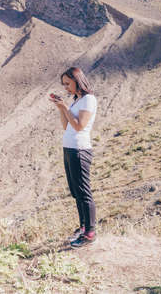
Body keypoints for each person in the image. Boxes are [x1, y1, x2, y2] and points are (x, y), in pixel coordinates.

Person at [48, 67, 97, 248]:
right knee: (76, 192)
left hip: (79, 149)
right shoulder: (77, 101)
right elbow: (65, 125)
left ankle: (90, 233)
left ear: (78, 80)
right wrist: (61, 109)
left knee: (84, 192)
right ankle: (83, 226)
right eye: (64, 85)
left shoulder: (89, 100)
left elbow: (79, 126)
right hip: (69, 148)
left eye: (68, 83)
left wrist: (66, 107)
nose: (66, 88)